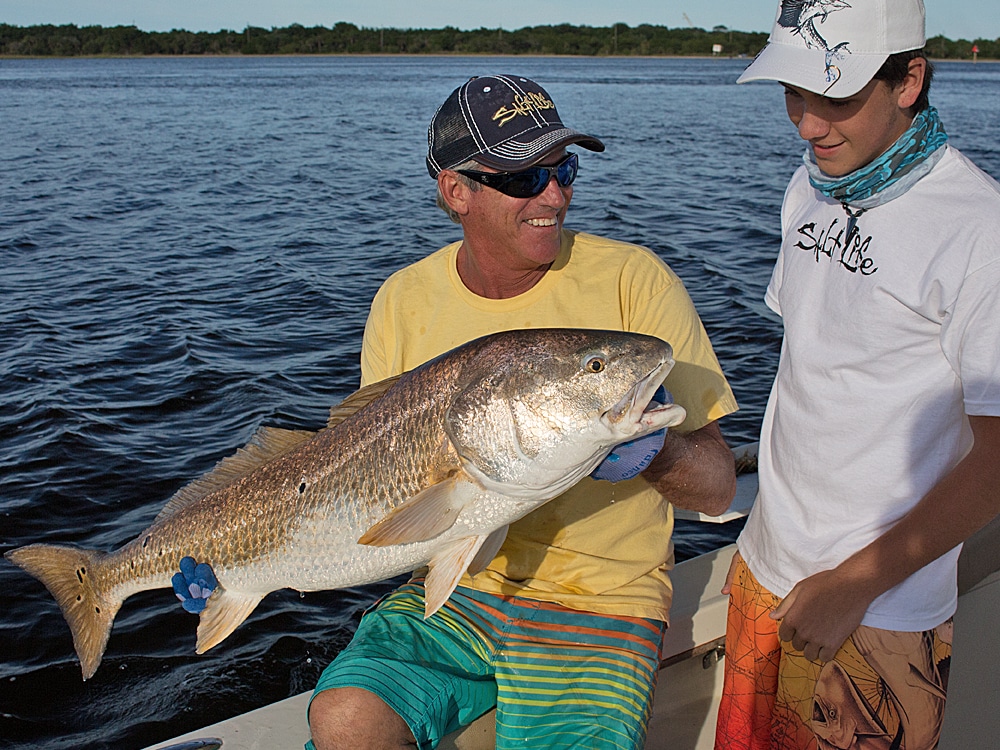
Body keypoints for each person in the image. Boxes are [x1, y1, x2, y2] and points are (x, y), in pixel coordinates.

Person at [306, 74, 739, 749]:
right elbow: (381, 494)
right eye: (523, 179)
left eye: (563, 170)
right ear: (457, 191)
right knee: (343, 716)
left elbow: (717, 488)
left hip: (599, 601)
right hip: (454, 590)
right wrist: (239, 567)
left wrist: (662, 451)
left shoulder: (634, 283)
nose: (555, 197)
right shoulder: (402, 300)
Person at [715, 1, 1000, 748]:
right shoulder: (809, 186)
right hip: (762, 570)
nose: (808, 125)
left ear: (910, 80)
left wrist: (855, 585)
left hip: (877, 609)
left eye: (834, 97)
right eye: (794, 94)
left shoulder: (979, 230)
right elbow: (816, 372)